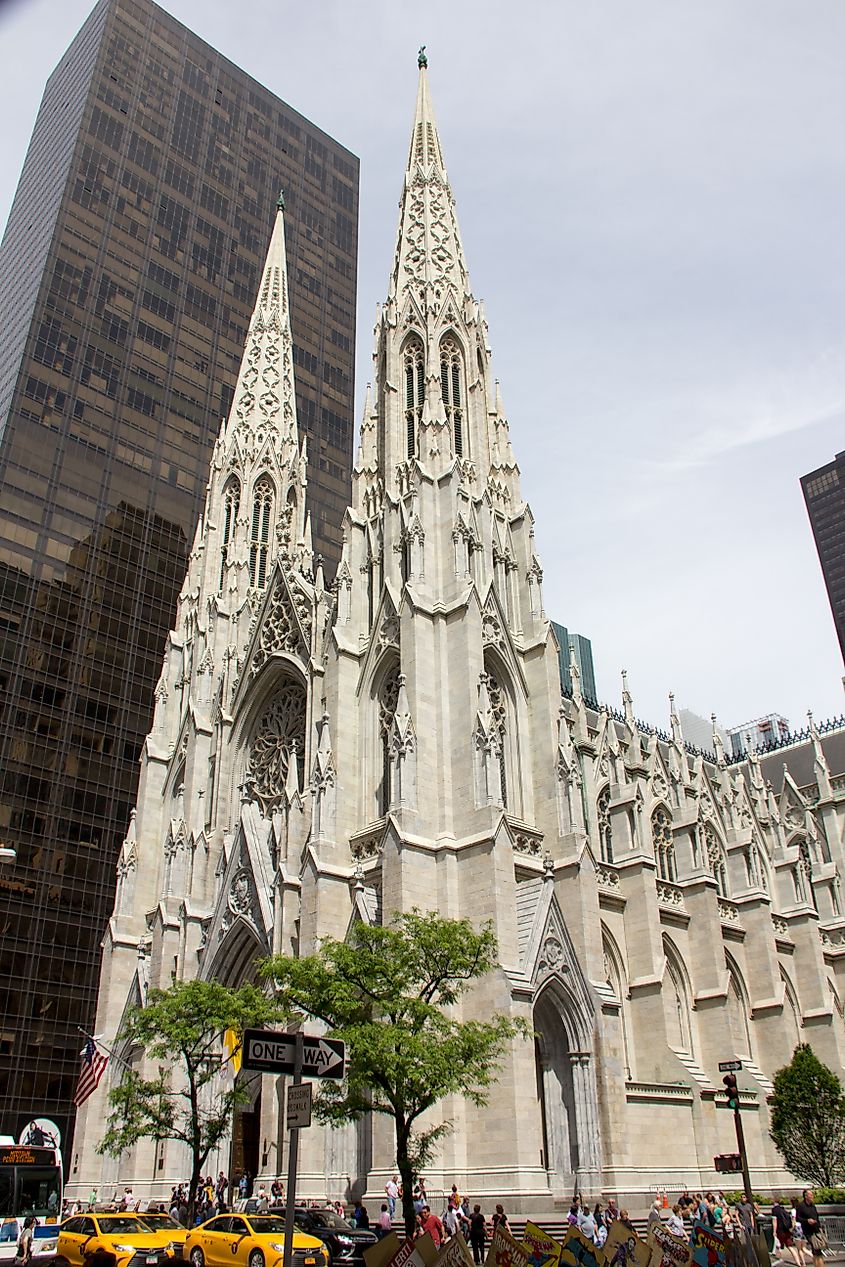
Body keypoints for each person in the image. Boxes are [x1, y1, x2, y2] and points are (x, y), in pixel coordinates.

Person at [795, 1190, 825, 1267]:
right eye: (810, 1195)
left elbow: (816, 1217)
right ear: (806, 1196)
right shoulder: (800, 1206)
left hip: (816, 1230)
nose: (812, 1196)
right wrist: (807, 1221)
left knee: (816, 1250)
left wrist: (819, 1227)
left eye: (812, 1195)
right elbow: (798, 1218)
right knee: (817, 1249)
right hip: (808, 1231)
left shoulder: (813, 1206)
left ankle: (817, 1264)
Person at [773, 1196, 804, 1267]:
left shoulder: (775, 1210)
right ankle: (798, 1263)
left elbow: (774, 1221)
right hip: (786, 1230)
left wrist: (774, 1232)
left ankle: (778, 1261)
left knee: (779, 1246)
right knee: (790, 1247)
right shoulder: (783, 1210)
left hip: (780, 1231)